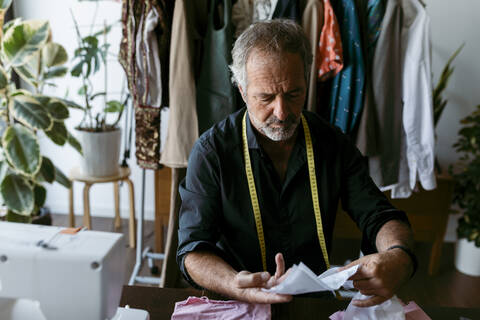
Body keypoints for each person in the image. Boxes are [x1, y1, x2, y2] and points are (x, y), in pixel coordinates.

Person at [177, 19, 416, 307]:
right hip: (237, 300)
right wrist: (231, 283)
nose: (282, 111)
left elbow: (379, 214)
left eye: (293, 94)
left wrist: (397, 257)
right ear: (242, 90)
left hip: (312, 301)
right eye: (266, 97)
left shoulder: (331, 143)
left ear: (306, 81)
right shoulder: (211, 152)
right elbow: (192, 249)